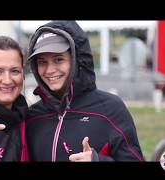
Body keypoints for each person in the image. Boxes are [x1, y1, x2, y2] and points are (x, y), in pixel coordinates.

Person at [26, 21, 143, 161]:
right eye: (42, 62)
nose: (50, 70)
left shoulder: (110, 109)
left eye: (58, 59)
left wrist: (97, 160)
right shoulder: (32, 116)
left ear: (77, 60)